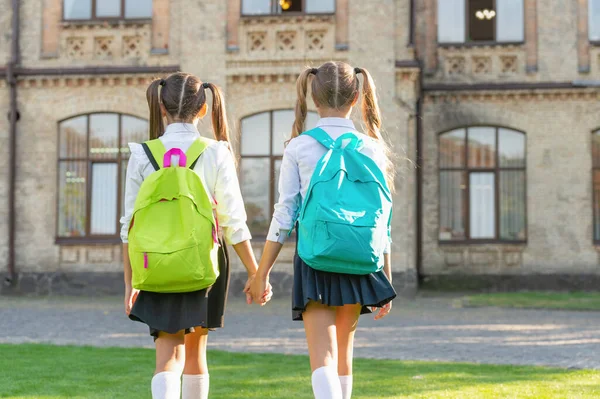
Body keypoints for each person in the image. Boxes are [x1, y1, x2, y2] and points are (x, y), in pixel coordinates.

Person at [250, 61, 397, 399]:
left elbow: (284, 215)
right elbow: (383, 218)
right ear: (357, 96)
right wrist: (385, 277)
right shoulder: (372, 147)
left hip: (315, 257)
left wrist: (262, 272)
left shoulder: (299, 147)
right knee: (343, 357)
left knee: (323, 358)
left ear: (313, 97)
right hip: (361, 257)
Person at [121, 72, 271, 399]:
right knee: (196, 354)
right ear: (203, 109)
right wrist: (256, 272)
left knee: (166, 357)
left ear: (161, 106)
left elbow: (128, 226)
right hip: (206, 259)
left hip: (156, 260)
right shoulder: (216, 152)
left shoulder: (142, 154)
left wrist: (130, 282)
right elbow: (233, 221)